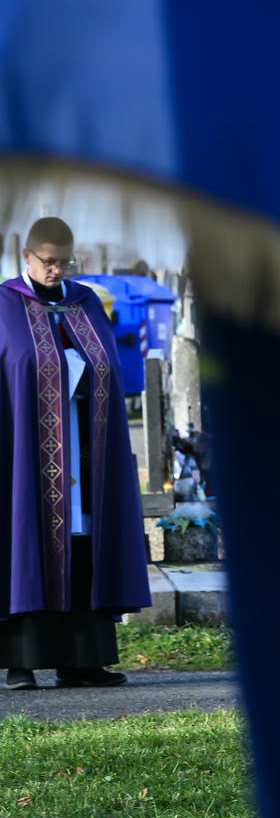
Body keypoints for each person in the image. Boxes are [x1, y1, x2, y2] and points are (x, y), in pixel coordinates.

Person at [0, 217, 150, 689]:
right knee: (26, 542)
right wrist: (58, 369)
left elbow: (109, 364)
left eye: (65, 262)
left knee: (83, 541)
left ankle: (84, 661)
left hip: (84, 447)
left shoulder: (84, 302)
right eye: (48, 261)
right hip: (25, 453)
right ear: (26, 256)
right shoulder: (4, 306)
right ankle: (20, 662)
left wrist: (79, 370)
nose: (57, 270)